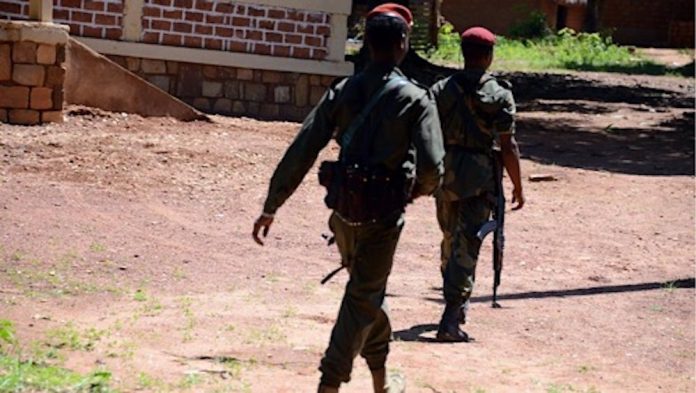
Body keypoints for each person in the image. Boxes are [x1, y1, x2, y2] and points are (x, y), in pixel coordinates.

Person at [252, 3, 445, 392]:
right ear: (403, 44)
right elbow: (432, 170)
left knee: (367, 290)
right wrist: (415, 192)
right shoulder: (416, 98)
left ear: (368, 45)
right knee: (363, 296)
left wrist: (272, 204)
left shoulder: (342, 90)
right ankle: (330, 382)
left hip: (342, 213)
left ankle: (381, 381)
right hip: (383, 217)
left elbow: (303, 148)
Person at [431, 27, 525, 342]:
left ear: (463, 53)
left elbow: (425, 133)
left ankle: (455, 303)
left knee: (449, 238)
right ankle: (450, 318)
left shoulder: (441, 89)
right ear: (487, 56)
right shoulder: (499, 94)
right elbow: (507, 145)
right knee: (467, 244)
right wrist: (518, 185)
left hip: (444, 174)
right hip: (479, 178)